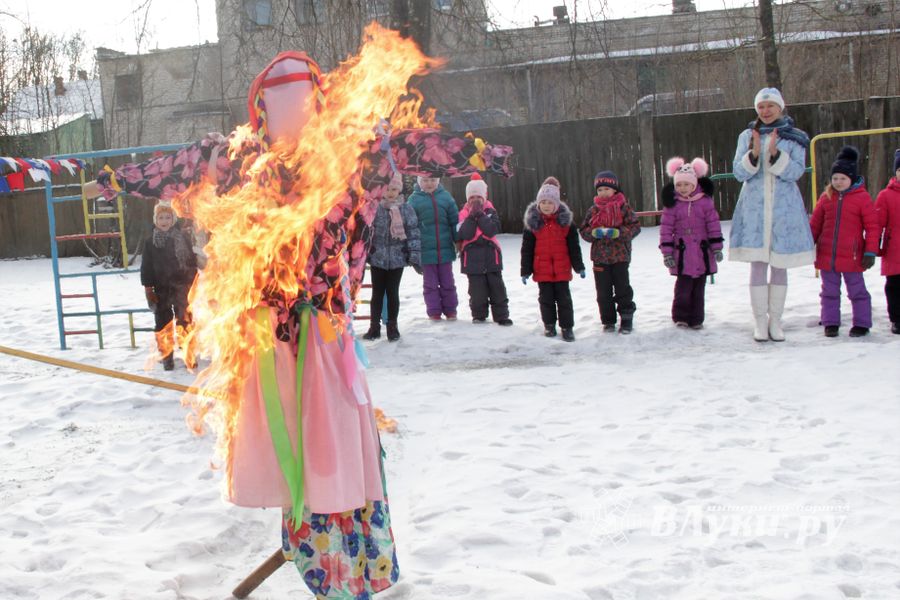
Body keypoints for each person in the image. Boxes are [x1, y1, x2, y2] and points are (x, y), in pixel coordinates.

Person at [85, 40, 513, 598]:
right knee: (305, 459)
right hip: (272, 341)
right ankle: (320, 549)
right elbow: (175, 168)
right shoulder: (240, 158)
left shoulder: (349, 151)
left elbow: (417, 146)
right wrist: (117, 180)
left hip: (323, 339)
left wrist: (477, 154)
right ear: (261, 108)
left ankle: (341, 560)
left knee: (331, 458)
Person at [729, 87, 815, 342]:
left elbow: (796, 172)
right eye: (761, 107)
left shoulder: (796, 137)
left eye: (770, 106)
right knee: (757, 263)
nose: (765, 111)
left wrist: (776, 155)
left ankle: (775, 321)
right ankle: (759, 321)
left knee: (779, 263)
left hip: (783, 209)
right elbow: (739, 173)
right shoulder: (747, 135)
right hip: (755, 209)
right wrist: (754, 154)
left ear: (780, 107)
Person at [810, 146, 880, 337]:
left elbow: (872, 227)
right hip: (827, 256)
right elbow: (815, 224)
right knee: (829, 291)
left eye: (843, 178)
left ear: (852, 179)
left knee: (857, 291)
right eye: (835, 178)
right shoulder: (826, 197)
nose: (838, 182)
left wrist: (870, 251)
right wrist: (808, 245)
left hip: (853, 256)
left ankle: (862, 324)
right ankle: (830, 322)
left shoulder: (862, 198)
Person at [659, 157, 724, 330]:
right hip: (682, 252)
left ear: (694, 184)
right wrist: (667, 253)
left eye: (686, 184)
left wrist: (716, 248)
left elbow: (713, 226)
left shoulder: (705, 202)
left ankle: (696, 318)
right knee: (683, 287)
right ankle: (681, 316)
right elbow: (666, 229)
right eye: (679, 185)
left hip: (702, 251)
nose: (682, 188)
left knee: (699, 288)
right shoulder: (673, 205)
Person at [521, 176, 585, 341]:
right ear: (538, 203)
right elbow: (527, 250)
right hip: (542, 270)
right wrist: (525, 270)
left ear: (556, 204)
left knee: (564, 300)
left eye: (550, 202)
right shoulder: (533, 224)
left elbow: (574, 247)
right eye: (543, 202)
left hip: (561, 269)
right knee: (546, 300)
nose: (546, 206)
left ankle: (567, 327)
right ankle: (549, 325)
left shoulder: (565, 223)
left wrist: (579, 266)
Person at [579, 170, 641, 333]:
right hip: (600, 258)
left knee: (622, 289)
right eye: (600, 190)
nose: (603, 192)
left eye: (606, 189)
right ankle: (608, 321)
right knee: (603, 292)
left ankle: (626, 318)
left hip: (620, 256)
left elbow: (635, 227)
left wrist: (619, 233)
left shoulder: (623, 207)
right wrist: (593, 233)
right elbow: (583, 230)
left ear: (615, 189)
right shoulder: (594, 210)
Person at [363, 173, 421, 341]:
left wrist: (414, 255)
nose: (390, 193)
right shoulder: (375, 208)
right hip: (378, 257)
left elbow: (413, 232)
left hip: (397, 258)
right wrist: (366, 252)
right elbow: (366, 231)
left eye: (394, 189)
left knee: (392, 292)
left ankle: (392, 326)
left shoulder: (406, 209)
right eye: (387, 189)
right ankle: (374, 326)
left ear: (399, 190)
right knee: (377, 293)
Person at [141, 201, 198, 370]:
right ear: (155, 220)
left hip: (182, 287)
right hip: (161, 289)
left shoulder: (183, 238)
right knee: (162, 323)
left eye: (167, 217)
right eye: (161, 218)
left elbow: (191, 262)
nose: (164, 221)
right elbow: (146, 266)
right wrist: (148, 288)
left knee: (185, 321)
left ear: (173, 219)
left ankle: (188, 354)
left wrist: (192, 282)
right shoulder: (150, 242)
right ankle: (167, 357)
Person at [457, 173, 512, 326]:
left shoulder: (490, 212)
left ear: (484, 197)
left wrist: (480, 216)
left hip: (491, 257)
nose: (475, 200)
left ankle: (502, 316)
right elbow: (465, 234)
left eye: (478, 197)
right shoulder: (463, 214)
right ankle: (479, 315)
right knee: (477, 291)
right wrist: (471, 217)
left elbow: (492, 230)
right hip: (472, 259)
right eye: (472, 197)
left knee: (497, 288)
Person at [407, 175, 460, 320]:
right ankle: (434, 311)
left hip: (445, 249)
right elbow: (410, 226)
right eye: (425, 180)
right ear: (419, 182)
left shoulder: (446, 198)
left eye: (432, 180)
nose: (429, 183)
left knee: (448, 282)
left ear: (438, 181)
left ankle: (451, 310)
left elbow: (454, 221)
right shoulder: (414, 200)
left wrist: (458, 240)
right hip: (425, 251)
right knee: (430, 284)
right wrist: (413, 249)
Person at [875, 149, 900, 334]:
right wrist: (873, 245)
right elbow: (877, 223)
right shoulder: (886, 195)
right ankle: (897, 319)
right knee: (895, 287)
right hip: (894, 250)